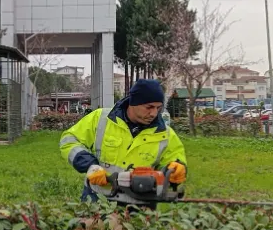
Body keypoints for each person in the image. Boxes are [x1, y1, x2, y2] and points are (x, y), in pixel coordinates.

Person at [59, 78, 187, 205]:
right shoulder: (100, 119)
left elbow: (175, 160)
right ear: (133, 102)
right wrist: (90, 165)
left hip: (140, 205)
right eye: (149, 107)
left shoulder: (165, 134)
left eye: (158, 108)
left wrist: (176, 169)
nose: (154, 113)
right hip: (98, 200)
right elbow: (69, 140)